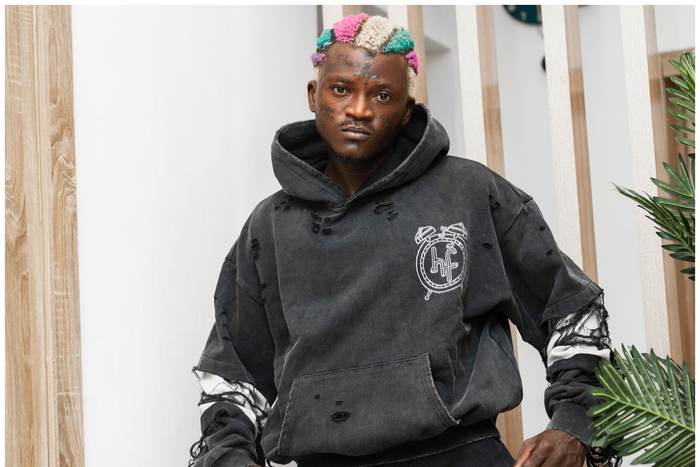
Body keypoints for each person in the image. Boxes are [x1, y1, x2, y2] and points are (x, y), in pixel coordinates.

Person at [189, 14, 616, 467]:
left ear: (407, 110)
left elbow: (569, 309)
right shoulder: (269, 226)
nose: (359, 109)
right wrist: (229, 458)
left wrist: (574, 423)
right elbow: (233, 376)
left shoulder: (469, 193)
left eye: (382, 95)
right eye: (341, 89)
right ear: (314, 95)